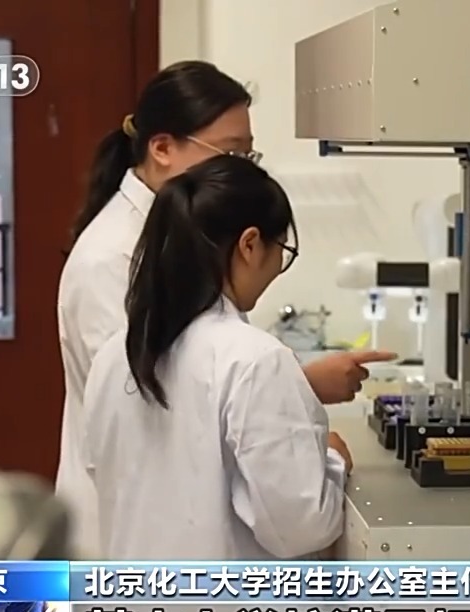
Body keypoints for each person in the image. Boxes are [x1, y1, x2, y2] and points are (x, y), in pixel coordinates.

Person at [56, 61, 392, 555]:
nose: (239, 168)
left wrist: (289, 390)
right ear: (162, 147)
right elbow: (166, 408)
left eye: (247, 154)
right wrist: (314, 443)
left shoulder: (178, 285)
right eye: (231, 152)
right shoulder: (112, 258)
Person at [82, 155, 348, 559]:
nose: (278, 265)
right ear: (250, 245)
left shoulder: (115, 354)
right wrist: (332, 461)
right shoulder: (255, 360)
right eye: (282, 249)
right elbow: (301, 526)